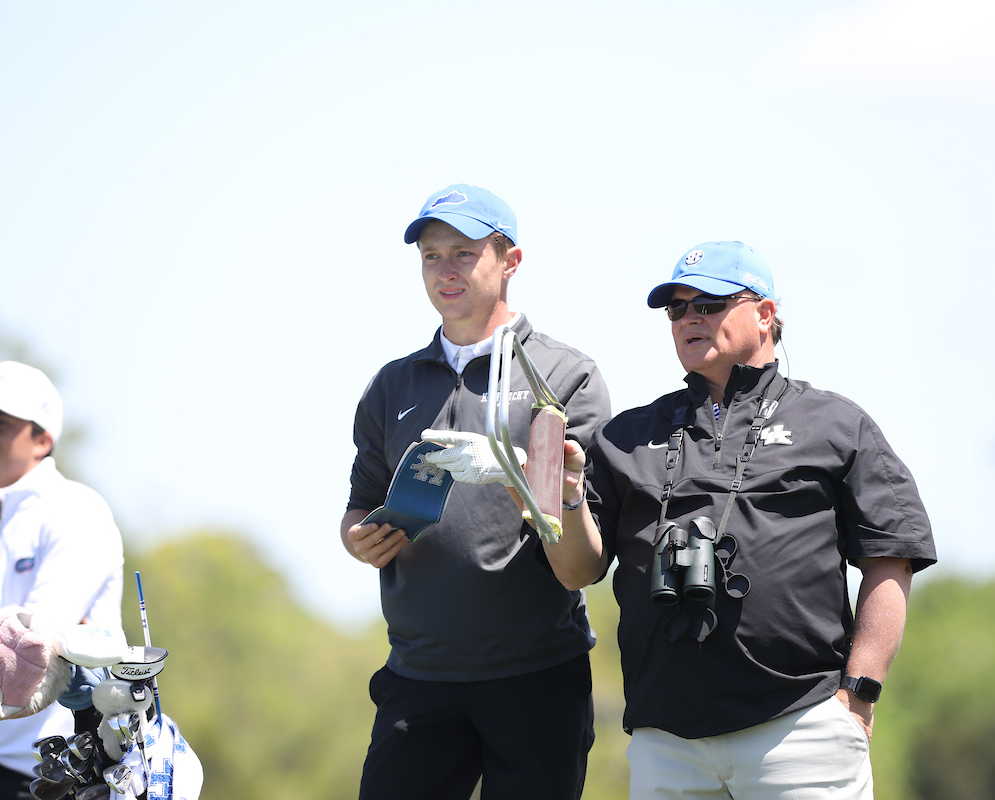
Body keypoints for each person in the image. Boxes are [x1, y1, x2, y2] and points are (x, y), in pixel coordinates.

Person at [543, 241, 937, 798]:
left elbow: (891, 558)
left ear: (766, 314)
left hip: (800, 725)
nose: (689, 319)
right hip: (666, 740)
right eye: (677, 309)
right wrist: (565, 497)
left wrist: (859, 693)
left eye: (709, 304)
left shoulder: (834, 423)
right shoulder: (624, 436)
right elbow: (575, 571)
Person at [339, 184, 611, 800]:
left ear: (511, 261)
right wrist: (357, 539)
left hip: (536, 674)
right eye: (431, 256)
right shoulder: (392, 384)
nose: (445, 270)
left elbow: (585, 556)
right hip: (417, 675)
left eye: (463, 252)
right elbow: (360, 500)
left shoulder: (566, 374)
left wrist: (530, 482)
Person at [0, 361, 124, 800]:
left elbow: (37, 637)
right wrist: (13, 618)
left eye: (0, 422)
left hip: (71, 774)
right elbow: (18, 626)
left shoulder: (77, 509)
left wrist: (21, 622)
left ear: (42, 439)